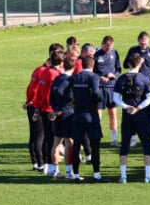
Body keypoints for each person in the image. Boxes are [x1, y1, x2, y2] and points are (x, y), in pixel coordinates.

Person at [114, 54, 150, 183]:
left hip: (127, 116)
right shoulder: (144, 79)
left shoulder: (121, 79)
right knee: (146, 145)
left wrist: (126, 107)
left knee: (125, 145)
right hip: (141, 115)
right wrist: (138, 108)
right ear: (140, 64)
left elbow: (115, 98)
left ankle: (123, 176)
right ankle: (148, 176)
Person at [70, 54, 106, 181]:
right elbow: (96, 92)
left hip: (77, 114)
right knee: (95, 144)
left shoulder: (75, 77)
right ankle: (96, 174)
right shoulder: (94, 76)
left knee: (76, 145)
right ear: (93, 65)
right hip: (91, 115)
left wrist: (74, 102)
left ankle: (76, 175)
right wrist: (100, 99)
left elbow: (68, 94)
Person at [124, 31, 150, 143]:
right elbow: (125, 64)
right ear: (138, 41)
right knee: (133, 108)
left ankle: (148, 137)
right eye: (142, 42)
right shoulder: (133, 50)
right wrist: (134, 62)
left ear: (148, 40)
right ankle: (133, 137)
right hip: (135, 85)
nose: (144, 44)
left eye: (146, 41)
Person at [32, 49, 65, 176]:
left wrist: (37, 107)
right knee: (54, 140)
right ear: (61, 62)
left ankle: (46, 165)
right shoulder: (55, 75)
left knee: (47, 138)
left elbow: (40, 91)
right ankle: (52, 168)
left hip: (43, 108)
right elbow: (53, 94)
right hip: (51, 110)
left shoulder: (45, 71)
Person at [48, 49, 78, 179]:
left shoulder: (57, 78)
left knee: (56, 143)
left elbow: (51, 96)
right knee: (68, 143)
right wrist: (67, 104)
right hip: (67, 113)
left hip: (57, 113)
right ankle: (69, 172)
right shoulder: (70, 80)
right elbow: (65, 94)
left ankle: (55, 170)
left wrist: (55, 109)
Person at [93, 35, 120, 146]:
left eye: (110, 48)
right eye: (106, 48)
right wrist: (99, 77)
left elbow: (119, 69)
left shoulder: (114, 53)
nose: (108, 50)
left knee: (113, 113)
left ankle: (114, 139)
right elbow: (91, 70)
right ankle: (96, 138)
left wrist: (114, 75)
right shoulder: (95, 53)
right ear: (102, 44)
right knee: (98, 113)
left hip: (112, 87)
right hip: (100, 88)